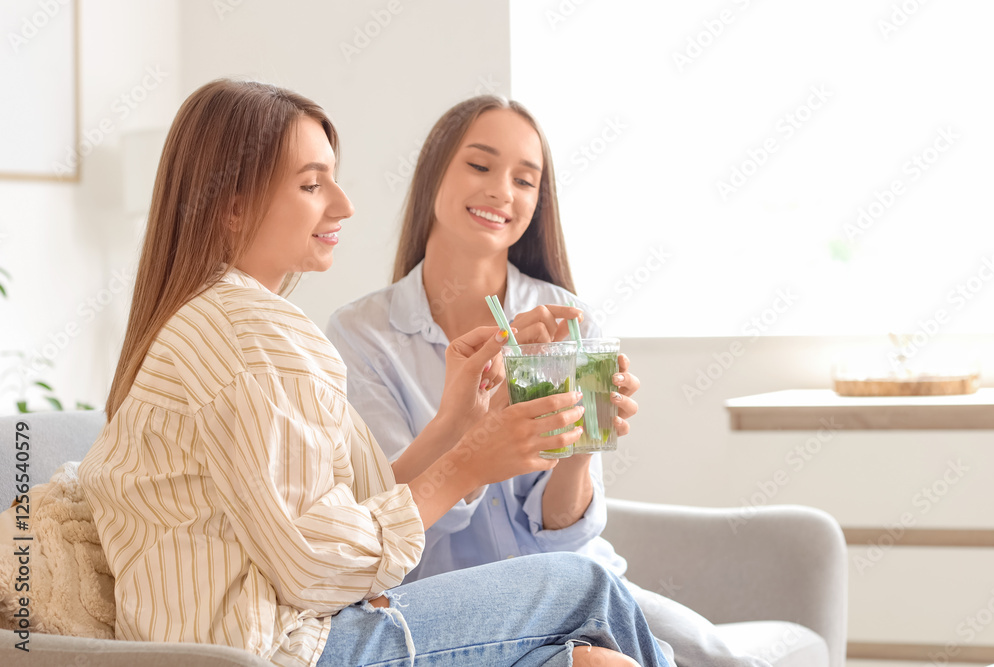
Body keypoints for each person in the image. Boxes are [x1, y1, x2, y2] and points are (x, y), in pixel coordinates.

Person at [78, 79, 669, 667]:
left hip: (283, 631)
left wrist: (453, 423)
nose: (344, 204)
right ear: (233, 206)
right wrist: (470, 460)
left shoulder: (223, 319)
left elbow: (329, 513)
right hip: (286, 647)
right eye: (312, 184)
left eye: (524, 179)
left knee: (596, 659)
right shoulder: (256, 334)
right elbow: (318, 565)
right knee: (586, 589)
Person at [326, 95, 771, 667]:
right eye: (480, 166)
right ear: (434, 172)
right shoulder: (363, 335)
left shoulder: (568, 318)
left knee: (718, 656)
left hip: (579, 585)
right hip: (456, 614)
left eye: (525, 181)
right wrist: (485, 423)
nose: (502, 193)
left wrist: (582, 447)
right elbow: (393, 514)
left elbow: (562, 533)